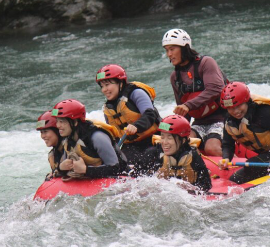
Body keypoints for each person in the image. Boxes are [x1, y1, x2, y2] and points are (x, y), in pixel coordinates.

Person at [163, 28, 227, 157]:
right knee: (183, 144)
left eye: (172, 49)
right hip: (199, 123)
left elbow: (216, 88)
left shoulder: (206, 63)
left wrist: (188, 105)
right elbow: (183, 113)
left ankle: (238, 166)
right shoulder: (175, 77)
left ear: (184, 47)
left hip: (222, 118)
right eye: (166, 50)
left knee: (211, 148)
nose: (169, 54)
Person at [96, 64, 161, 175]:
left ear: (120, 83)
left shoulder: (136, 93)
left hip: (154, 139)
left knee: (147, 158)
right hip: (131, 145)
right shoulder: (108, 109)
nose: (104, 90)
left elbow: (150, 114)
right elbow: (115, 136)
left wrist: (136, 126)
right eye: (102, 86)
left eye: (107, 85)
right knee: (125, 166)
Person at [52, 99, 128, 179]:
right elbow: (66, 168)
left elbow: (116, 168)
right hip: (92, 179)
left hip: (122, 178)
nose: (58, 125)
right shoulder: (68, 139)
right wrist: (60, 168)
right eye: (57, 121)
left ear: (75, 122)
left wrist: (85, 170)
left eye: (61, 121)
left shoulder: (97, 137)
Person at [145, 115, 212, 192]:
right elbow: (138, 179)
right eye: (162, 137)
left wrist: (190, 188)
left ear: (183, 140)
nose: (164, 142)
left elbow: (206, 185)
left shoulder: (193, 157)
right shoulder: (152, 154)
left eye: (169, 138)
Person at [36, 110, 63, 180]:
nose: (42, 136)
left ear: (58, 130)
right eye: (41, 132)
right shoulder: (53, 154)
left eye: (45, 131)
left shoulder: (72, 148)